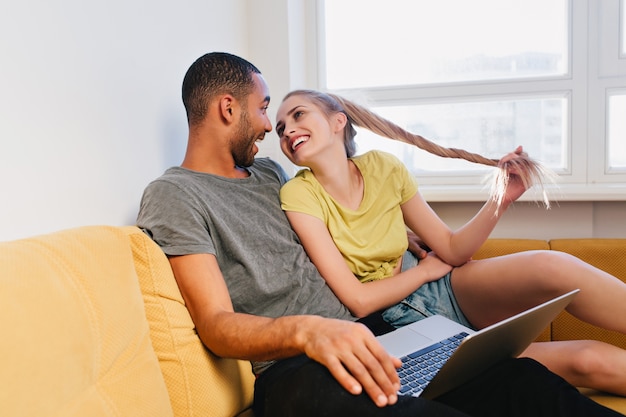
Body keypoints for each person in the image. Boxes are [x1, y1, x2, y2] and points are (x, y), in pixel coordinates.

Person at [136, 51, 624, 417]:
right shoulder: (175, 194)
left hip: (380, 337)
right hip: (296, 368)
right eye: (264, 109)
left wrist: (401, 238)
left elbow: (333, 229)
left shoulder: (270, 178)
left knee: (522, 382)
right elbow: (217, 323)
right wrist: (308, 331)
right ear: (227, 108)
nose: (270, 128)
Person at [276, 89, 626, 397]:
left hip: (450, 289)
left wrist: (501, 198)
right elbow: (358, 300)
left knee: (554, 266)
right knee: (587, 361)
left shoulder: (384, 166)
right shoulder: (298, 194)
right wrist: (425, 272)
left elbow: (452, 248)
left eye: (298, 114)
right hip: (407, 327)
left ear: (338, 121)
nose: (288, 130)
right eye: (280, 128)